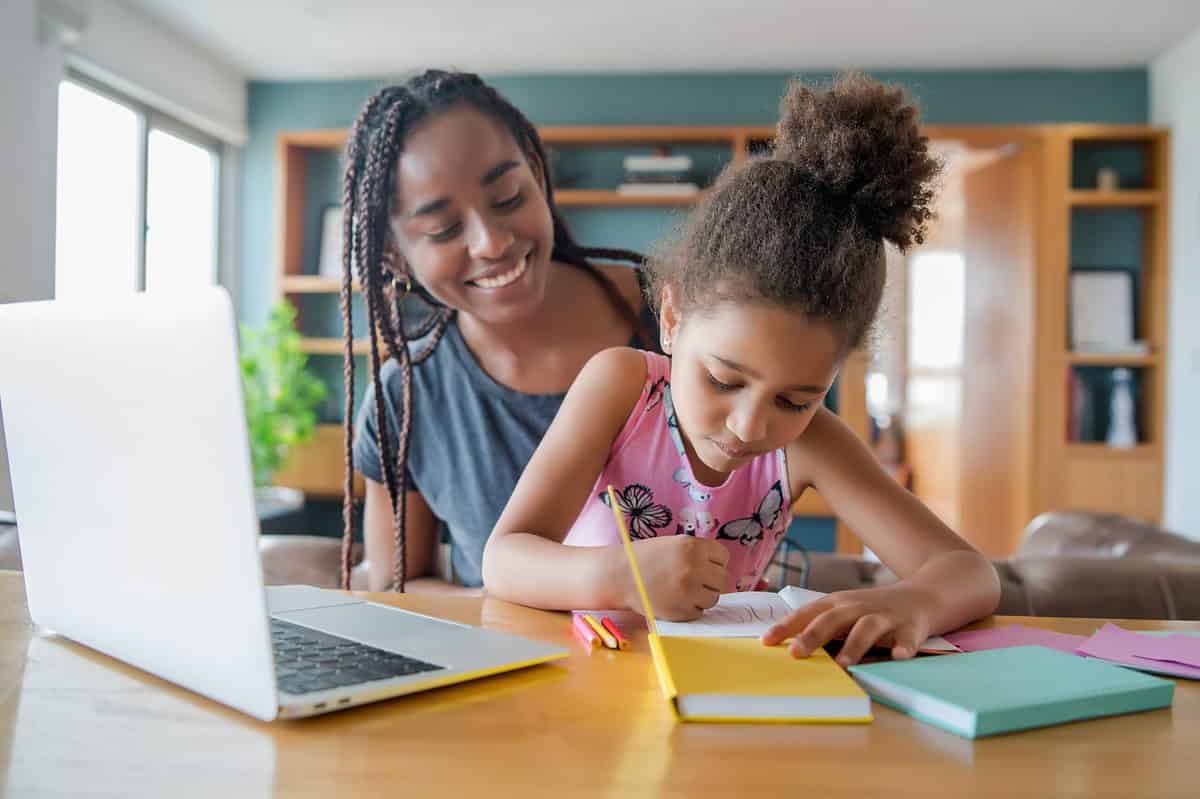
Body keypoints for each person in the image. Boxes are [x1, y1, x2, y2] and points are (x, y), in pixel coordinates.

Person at [482, 73, 1001, 666]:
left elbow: (968, 572)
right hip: (582, 677)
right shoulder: (621, 387)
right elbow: (504, 559)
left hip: (726, 686)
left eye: (796, 400)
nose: (751, 427)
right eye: (724, 381)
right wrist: (618, 576)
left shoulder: (814, 443)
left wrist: (915, 603)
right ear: (672, 316)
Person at [339, 70, 656, 592]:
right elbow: (399, 589)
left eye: (508, 196)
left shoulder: (679, 317)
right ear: (395, 255)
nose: (490, 242)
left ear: (535, 173)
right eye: (443, 230)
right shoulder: (406, 399)